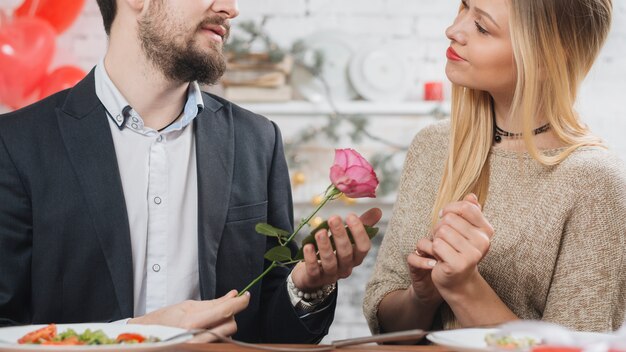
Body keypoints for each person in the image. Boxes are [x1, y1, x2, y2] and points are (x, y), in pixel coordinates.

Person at [0, 0, 382, 344]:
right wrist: (139, 333)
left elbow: (270, 329)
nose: (231, 8)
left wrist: (306, 287)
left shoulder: (258, 140)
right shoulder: (16, 144)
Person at [363, 0, 626, 339]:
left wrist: (464, 288)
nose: (454, 30)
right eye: (464, 8)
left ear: (548, 56)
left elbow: (576, 348)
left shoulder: (595, 183)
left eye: (483, 27)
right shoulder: (433, 146)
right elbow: (386, 323)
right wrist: (422, 297)